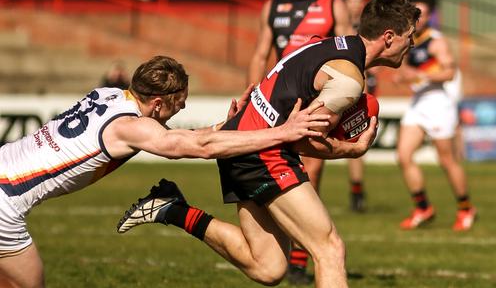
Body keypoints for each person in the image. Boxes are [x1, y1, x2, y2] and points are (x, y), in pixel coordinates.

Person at [118, 0, 420, 287]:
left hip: (240, 142)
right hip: (264, 151)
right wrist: (352, 149)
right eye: (410, 36)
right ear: (389, 37)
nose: (413, 44)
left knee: (268, 267)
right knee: (329, 249)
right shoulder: (348, 81)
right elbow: (302, 140)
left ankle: (172, 208)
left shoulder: (327, 45)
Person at [0, 55, 338, 288]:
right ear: (159, 104)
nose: (184, 107)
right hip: (6, 203)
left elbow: (183, 138)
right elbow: (195, 148)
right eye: (180, 102)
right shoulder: (130, 127)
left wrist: (228, 127)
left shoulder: (110, 95)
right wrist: (285, 132)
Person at [246, 0, 354, 282]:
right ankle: (279, 249)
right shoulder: (272, 7)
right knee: (269, 171)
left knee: (311, 172)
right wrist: (251, 91)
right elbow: (261, 51)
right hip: (275, 101)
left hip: (314, 100)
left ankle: (299, 260)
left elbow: (350, 49)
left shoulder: (331, 4)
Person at [392, 0, 475, 231]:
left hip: (438, 102)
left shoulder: (436, 42)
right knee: (403, 155)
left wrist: (421, 76)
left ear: (429, 18)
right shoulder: (409, 40)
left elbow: (449, 72)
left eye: (423, 14)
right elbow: (406, 69)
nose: (418, 19)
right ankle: (422, 207)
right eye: (414, 14)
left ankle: (466, 208)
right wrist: (403, 74)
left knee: (446, 159)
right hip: (419, 102)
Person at [343, 0, 375, 212]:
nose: (354, 4)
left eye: (358, 0)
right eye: (350, 0)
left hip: (363, 89)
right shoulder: (337, 28)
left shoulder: (369, 29)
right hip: (340, 87)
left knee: (355, 140)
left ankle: (357, 191)